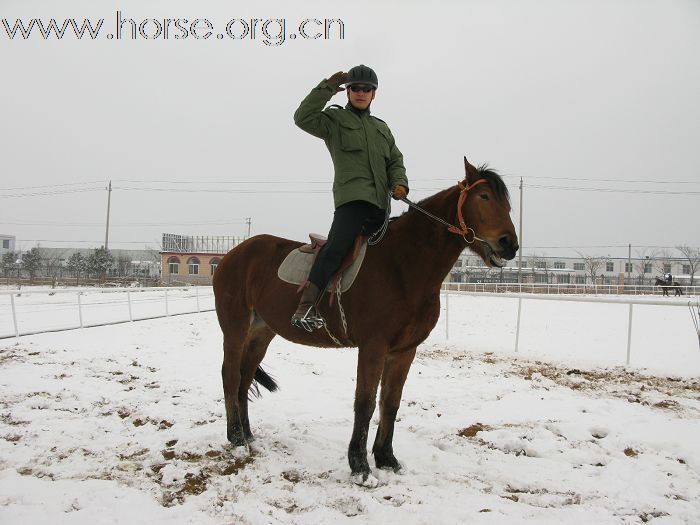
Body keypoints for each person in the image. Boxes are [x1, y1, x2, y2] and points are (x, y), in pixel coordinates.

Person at [291, 65, 409, 330]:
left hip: (381, 205)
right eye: (355, 87)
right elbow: (302, 117)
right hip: (352, 201)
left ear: (374, 94)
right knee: (336, 248)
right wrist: (328, 86)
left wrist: (400, 183)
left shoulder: (382, 128)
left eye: (366, 89)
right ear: (348, 91)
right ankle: (306, 306)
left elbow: (395, 161)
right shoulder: (334, 121)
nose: (361, 92)